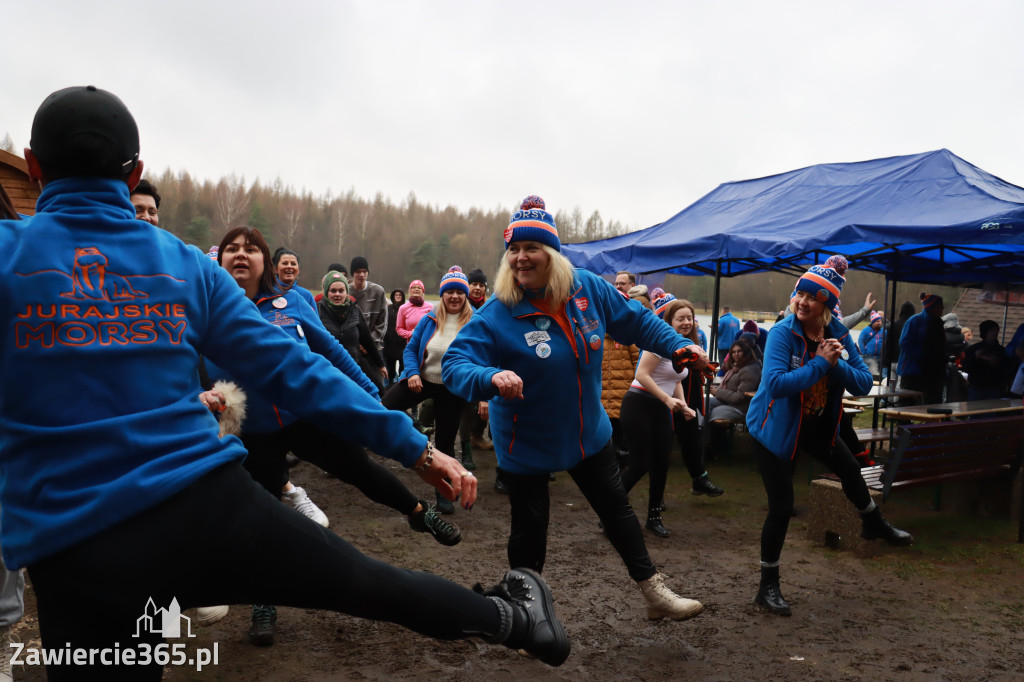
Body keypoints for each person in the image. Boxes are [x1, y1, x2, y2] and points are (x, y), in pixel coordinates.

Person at [2, 85, 569, 678]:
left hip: (71, 543)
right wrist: (415, 448)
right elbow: (293, 369)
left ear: (34, 165)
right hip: (202, 506)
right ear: (135, 172)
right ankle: (517, 621)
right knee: (370, 583)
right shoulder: (183, 266)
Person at [444, 195, 708, 621]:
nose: (520, 258)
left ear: (551, 254)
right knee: (531, 530)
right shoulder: (498, 313)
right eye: (513, 249)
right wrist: (490, 378)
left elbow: (637, 322)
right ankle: (527, 618)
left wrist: (679, 345)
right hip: (526, 439)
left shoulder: (588, 289)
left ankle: (655, 593)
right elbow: (456, 364)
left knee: (618, 511)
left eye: (531, 249)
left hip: (587, 431)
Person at [746, 257, 913, 617]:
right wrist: (821, 364)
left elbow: (864, 382)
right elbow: (774, 384)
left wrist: (835, 363)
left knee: (849, 468)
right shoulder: (782, 333)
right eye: (799, 294)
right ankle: (768, 585)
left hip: (816, 425)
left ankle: (872, 522)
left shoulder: (837, 332)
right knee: (781, 507)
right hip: (773, 429)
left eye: (812, 296)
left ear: (827, 303)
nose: (802, 301)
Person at [619, 297, 720, 539]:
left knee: (661, 463)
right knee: (640, 464)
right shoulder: (658, 343)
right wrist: (667, 401)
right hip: (638, 403)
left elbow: (676, 380)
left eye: (689, 318)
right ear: (669, 321)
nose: (686, 322)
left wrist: (683, 405)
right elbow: (641, 375)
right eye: (680, 318)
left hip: (661, 408)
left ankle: (654, 518)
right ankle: (610, 512)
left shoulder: (687, 348)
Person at [384, 267, 484, 512]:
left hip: (453, 389)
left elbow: (485, 357)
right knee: (383, 408)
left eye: (459, 292)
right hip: (423, 380)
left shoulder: (475, 323)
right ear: (442, 295)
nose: (454, 296)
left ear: (465, 295)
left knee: (445, 444)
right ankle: (410, 434)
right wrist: (413, 373)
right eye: (449, 291)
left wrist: (484, 396)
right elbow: (410, 349)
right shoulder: (429, 319)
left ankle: (444, 494)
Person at [318, 270, 389, 390]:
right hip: (329, 369)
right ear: (326, 292)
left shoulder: (354, 310)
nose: (337, 294)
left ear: (346, 291)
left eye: (341, 291)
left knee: (380, 392)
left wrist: (380, 364)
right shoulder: (318, 312)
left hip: (354, 365)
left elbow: (367, 339)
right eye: (333, 291)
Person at [898, 293, 948, 404]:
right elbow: (904, 342)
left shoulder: (939, 323)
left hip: (934, 372)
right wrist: (922, 356)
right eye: (940, 305)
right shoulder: (915, 321)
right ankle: (903, 421)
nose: (943, 308)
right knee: (907, 402)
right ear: (932, 307)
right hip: (913, 370)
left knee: (933, 402)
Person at [961, 320, 1011, 400]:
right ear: (985, 332)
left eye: (996, 330)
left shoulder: (1001, 351)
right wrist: (975, 357)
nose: (995, 333)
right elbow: (966, 367)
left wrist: (996, 362)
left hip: (994, 387)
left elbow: (1007, 368)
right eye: (992, 330)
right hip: (976, 387)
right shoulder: (973, 349)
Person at [350, 255, 388, 353]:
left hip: (374, 347)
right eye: (358, 272)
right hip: (351, 346)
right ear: (352, 273)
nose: (362, 275)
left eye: (364, 271)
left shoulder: (378, 291)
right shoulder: (345, 292)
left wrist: (369, 344)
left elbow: (382, 322)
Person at [886, 301, 917, 384]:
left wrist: (886, 361)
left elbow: (887, 344)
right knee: (900, 387)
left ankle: (888, 397)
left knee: (890, 386)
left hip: (892, 361)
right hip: (904, 362)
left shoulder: (892, 325)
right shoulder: (912, 326)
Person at [383, 288, 407, 384]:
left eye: (400, 295)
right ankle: (390, 385)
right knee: (390, 368)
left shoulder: (406, 308)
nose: (398, 297)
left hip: (402, 342)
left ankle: (401, 383)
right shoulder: (388, 309)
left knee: (403, 367)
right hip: (389, 342)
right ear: (393, 297)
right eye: (396, 295)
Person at [857, 311, 886, 377]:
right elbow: (860, 341)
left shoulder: (884, 331)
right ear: (873, 322)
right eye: (877, 321)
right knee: (873, 373)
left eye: (880, 321)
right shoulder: (866, 330)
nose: (880, 323)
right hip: (869, 357)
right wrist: (864, 352)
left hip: (880, 357)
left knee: (880, 375)